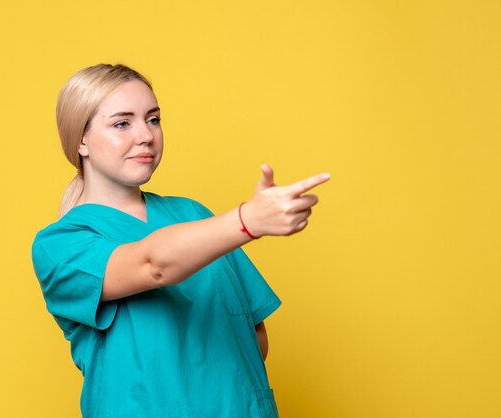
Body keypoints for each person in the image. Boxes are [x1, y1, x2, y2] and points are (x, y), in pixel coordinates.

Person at [31, 63, 330, 417]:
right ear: (81, 139)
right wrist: (247, 220)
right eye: (122, 123)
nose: (145, 135)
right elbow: (152, 264)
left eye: (153, 119)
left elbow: (254, 336)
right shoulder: (61, 244)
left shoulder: (194, 215)